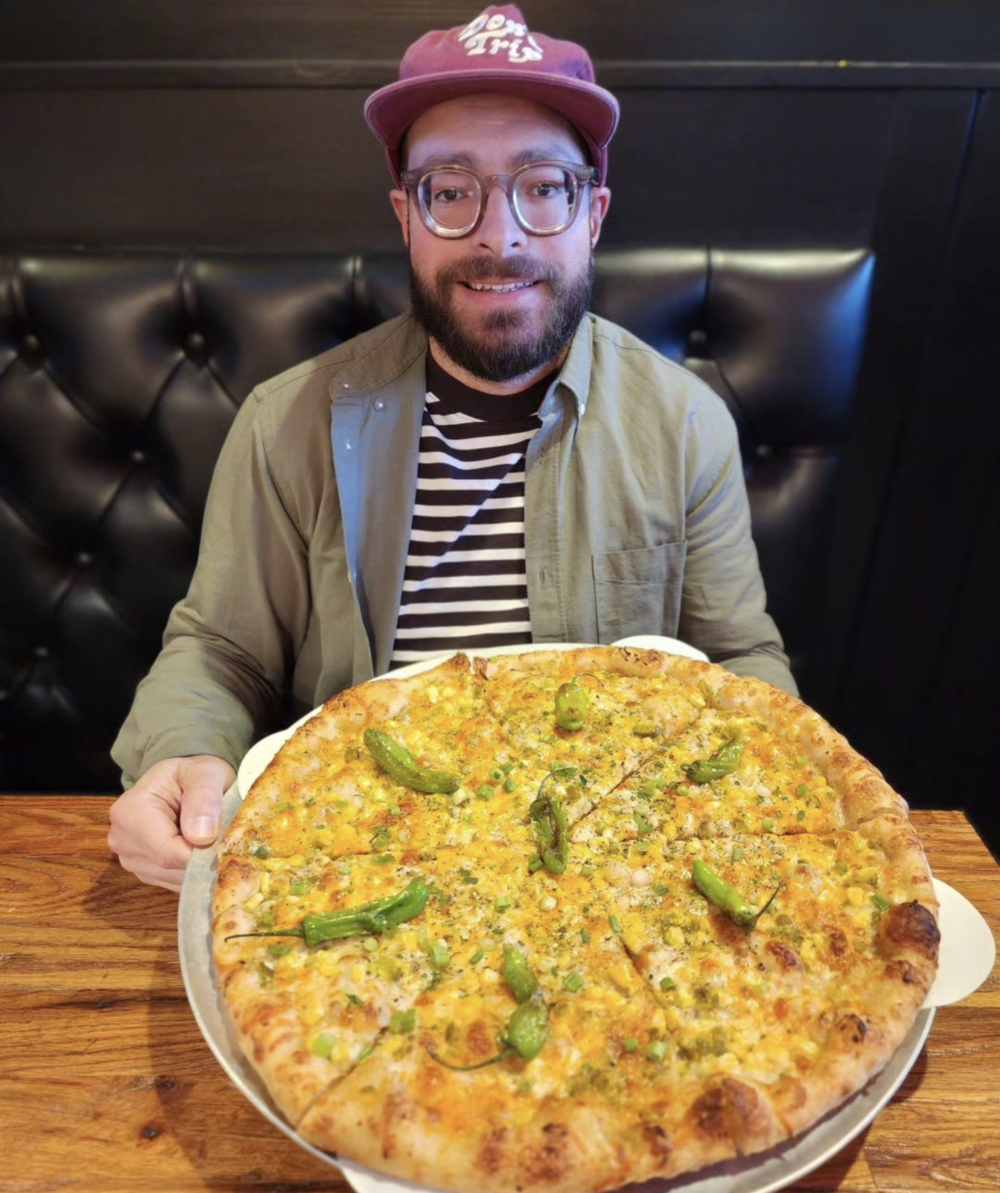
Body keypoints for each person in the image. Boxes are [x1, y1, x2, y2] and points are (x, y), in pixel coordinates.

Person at [108, 5, 796, 892]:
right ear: (406, 215)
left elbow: (739, 657)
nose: (498, 235)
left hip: (615, 871)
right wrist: (186, 753)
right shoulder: (286, 421)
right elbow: (220, 650)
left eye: (544, 186)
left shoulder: (687, 423)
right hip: (361, 854)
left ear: (593, 214)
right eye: (451, 189)